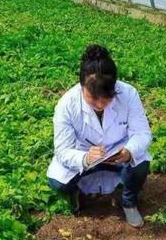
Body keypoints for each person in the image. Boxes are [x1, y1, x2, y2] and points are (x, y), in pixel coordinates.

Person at [47, 44, 152, 228]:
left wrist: (128, 151)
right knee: (58, 182)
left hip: (118, 153)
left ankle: (129, 201)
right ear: (82, 87)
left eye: (106, 98)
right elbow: (62, 150)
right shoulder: (67, 104)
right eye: (93, 98)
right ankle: (77, 194)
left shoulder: (128, 94)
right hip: (83, 153)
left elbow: (142, 133)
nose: (100, 104)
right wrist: (85, 158)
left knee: (140, 163)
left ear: (115, 88)